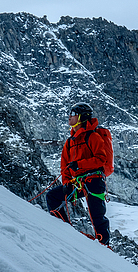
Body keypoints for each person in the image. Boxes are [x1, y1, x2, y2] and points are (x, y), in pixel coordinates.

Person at [46, 102, 113, 245]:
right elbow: (65, 166)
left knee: (97, 216)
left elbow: (101, 159)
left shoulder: (93, 137)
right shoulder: (70, 142)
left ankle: (104, 245)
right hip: (77, 183)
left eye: (73, 114)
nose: (69, 117)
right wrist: (66, 182)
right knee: (52, 196)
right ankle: (65, 230)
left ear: (82, 117)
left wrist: (79, 164)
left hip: (94, 180)